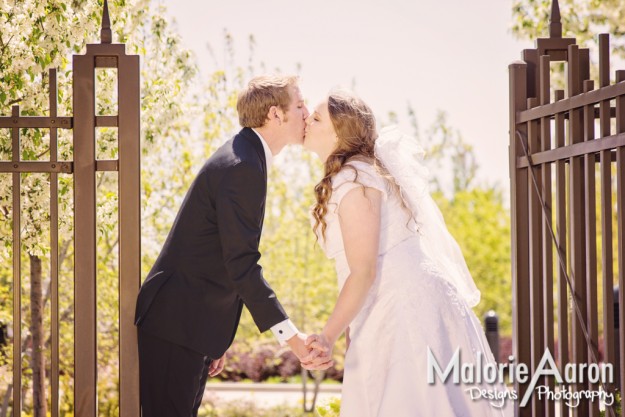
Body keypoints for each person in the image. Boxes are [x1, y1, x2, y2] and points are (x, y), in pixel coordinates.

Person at [300, 90, 511, 416]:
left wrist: (327, 336)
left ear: (339, 133)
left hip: (403, 308)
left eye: (315, 118)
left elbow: (364, 270)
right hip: (401, 300)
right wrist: (353, 326)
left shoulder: (353, 180)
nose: (306, 122)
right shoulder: (363, 173)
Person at [134, 75, 327, 416]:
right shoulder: (243, 166)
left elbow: (222, 256)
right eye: (299, 105)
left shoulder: (246, 157)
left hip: (190, 327)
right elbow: (242, 264)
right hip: (176, 322)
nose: (306, 112)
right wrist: (292, 338)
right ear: (275, 115)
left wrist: (215, 338)